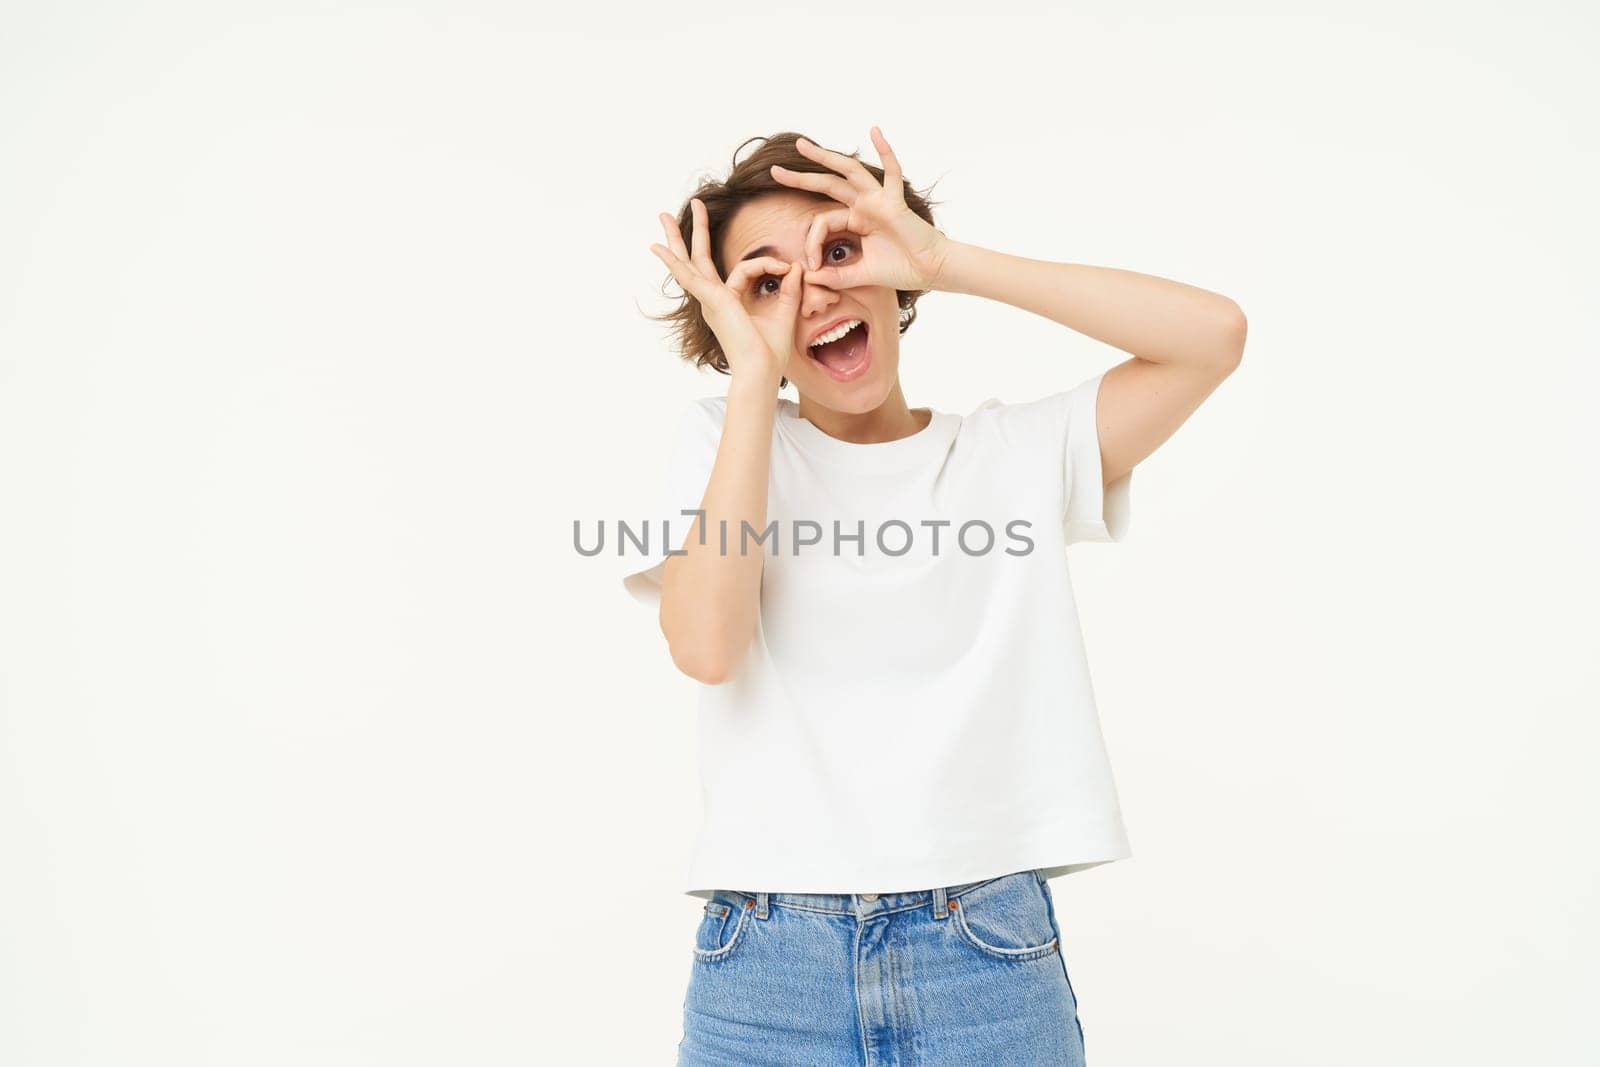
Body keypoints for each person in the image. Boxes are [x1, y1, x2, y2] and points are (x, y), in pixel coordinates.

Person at [623, 127, 1246, 1066]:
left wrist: (949, 261)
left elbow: (1213, 336)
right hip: (767, 966)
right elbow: (706, 646)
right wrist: (754, 373)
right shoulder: (727, 441)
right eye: (763, 282)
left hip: (983, 955)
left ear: (891, 272)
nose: (813, 292)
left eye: (839, 251)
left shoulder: (1013, 457)